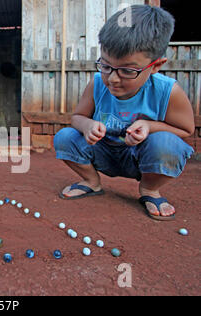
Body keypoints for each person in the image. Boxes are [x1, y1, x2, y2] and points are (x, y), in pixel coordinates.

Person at [53, 5, 194, 221]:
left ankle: (149, 190)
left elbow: (185, 129)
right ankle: (91, 181)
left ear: (156, 66)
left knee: (167, 144)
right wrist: (87, 125)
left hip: (140, 159)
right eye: (106, 66)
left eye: (128, 70)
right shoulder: (98, 83)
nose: (113, 78)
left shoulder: (169, 91)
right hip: (102, 153)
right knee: (64, 137)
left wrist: (149, 126)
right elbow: (77, 118)